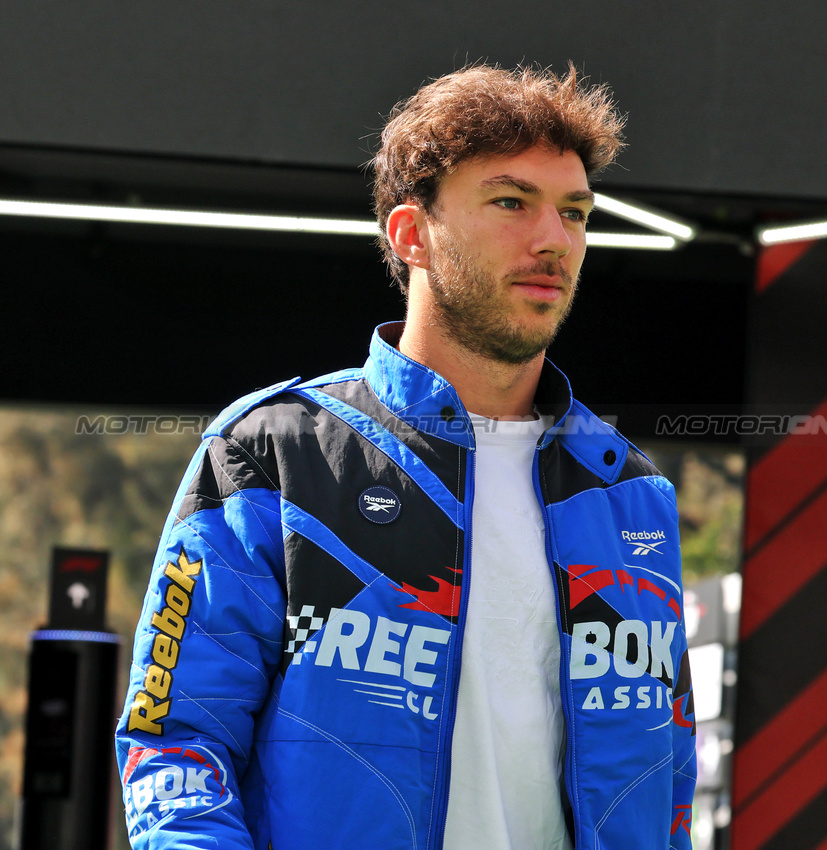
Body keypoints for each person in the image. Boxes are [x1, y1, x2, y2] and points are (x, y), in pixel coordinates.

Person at [115, 64, 696, 850]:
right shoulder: (274, 453)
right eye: (510, 202)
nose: (552, 240)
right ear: (410, 234)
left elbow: (667, 777)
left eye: (574, 213)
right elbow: (174, 742)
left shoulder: (630, 493)